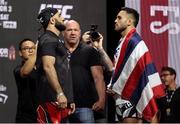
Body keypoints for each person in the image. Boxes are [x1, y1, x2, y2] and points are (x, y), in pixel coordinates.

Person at [106, 7, 165, 123]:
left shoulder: (134, 41)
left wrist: (116, 85)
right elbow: (118, 69)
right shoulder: (123, 42)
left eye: (119, 18)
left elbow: (144, 72)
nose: (115, 20)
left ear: (129, 22)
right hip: (121, 98)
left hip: (131, 97)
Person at [36, 8, 75, 123]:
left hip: (58, 100)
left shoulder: (54, 39)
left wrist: (69, 98)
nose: (63, 18)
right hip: (52, 99)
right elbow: (48, 67)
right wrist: (60, 93)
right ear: (52, 20)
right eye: (60, 16)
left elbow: (62, 70)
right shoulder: (48, 39)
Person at [63, 20, 106, 123]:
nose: (73, 33)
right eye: (69, 30)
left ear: (80, 32)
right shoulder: (58, 51)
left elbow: (98, 77)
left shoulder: (89, 51)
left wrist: (101, 99)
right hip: (63, 106)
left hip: (85, 106)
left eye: (75, 30)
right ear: (63, 33)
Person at [13, 38, 38, 122]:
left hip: (43, 115)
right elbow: (26, 72)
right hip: (26, 117)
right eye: (26, 48)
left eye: (33, 48)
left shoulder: (43, 69)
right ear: (20, 53)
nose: (31, 51)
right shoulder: (18, 69)